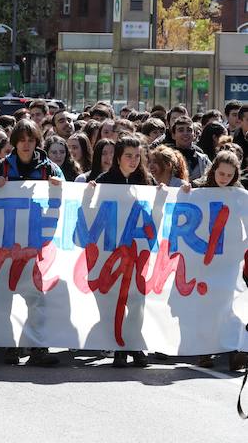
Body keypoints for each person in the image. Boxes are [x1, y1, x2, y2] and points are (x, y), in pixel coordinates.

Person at [0, 119, 64, 367]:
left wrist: (59, 187)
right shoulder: (0, 167)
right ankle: (9, 345)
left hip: (35, 244)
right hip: (5, 244)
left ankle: (38, 347)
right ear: (14, 142)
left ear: (37, 142)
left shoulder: (50, 169)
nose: (26, 145)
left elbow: (65, 199)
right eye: (21, 140)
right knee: (3, 298)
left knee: (36, 298)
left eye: (31, 140)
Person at [90, 136, 154, 368]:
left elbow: (156, 209)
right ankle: (118, 347)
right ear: (118, 158)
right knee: (113, 301)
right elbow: (91, 214)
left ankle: (134, 346)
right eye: (128, 156)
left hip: (137, 253)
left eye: (137, 156)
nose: (134, 160)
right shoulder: (104, 181)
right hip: (111, 253)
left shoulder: (146, 182)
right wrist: (88, 193)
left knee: (137, 301)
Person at [182, 150, 247, 371]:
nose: (224, 178)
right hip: (203, 258)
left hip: (229, 259)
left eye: (229, 175)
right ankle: (205, 351)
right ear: (214, 170)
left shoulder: (239, 194)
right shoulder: (199, 189)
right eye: (221, 173)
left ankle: (234, 350)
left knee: (230, 303)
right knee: (206, 305)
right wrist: (185, 191)